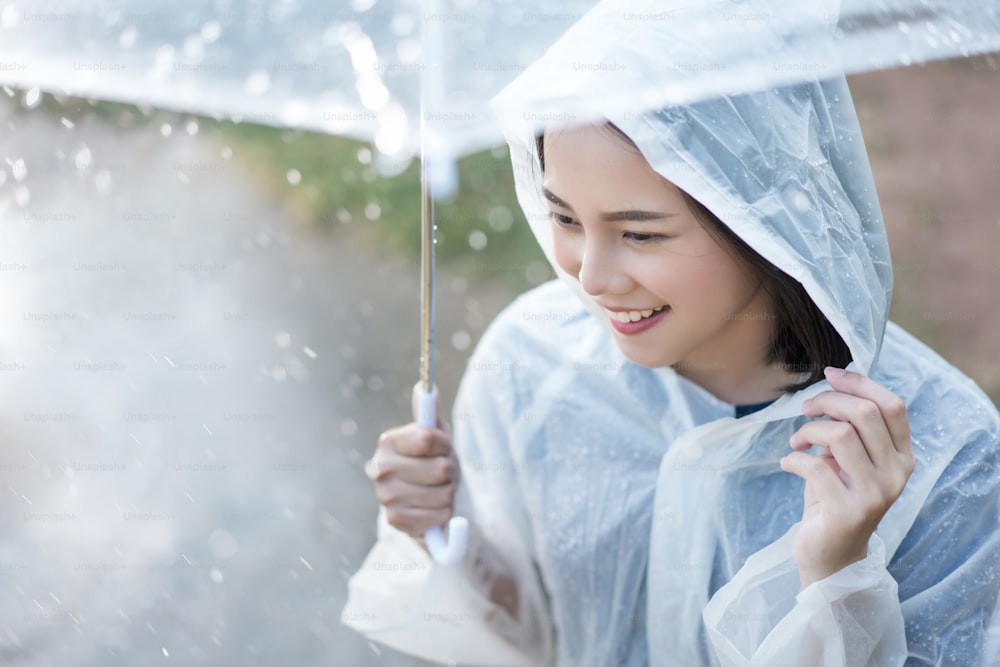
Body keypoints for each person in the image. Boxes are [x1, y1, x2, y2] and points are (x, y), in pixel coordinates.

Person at [341, 19, 1000, 667]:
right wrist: (439, 530)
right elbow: (534, 639)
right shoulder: (528, 363)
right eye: (564, 217)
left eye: (641, 233)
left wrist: (838, 576)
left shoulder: (948, 454)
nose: (590, 277)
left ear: (766, 214)